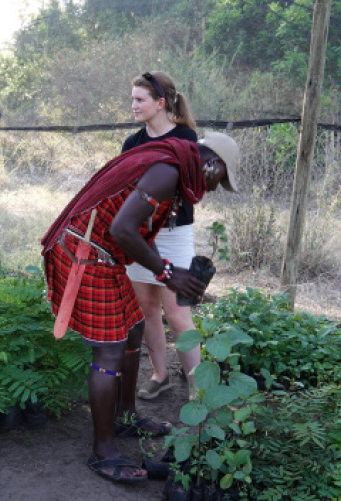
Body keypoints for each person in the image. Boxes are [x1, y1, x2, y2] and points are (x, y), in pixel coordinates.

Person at [41, 131, 241, 484]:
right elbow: (122, 228)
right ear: (212, 163)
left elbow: (134, 228)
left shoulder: (172, 167)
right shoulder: (168, 172)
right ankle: (103, 451)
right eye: (219, 179)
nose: (213, 188)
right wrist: (166, 272)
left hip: (104, 254)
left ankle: (125, 417)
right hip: (85, 252)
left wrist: (168, 271)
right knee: (109, 350)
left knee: (133, 327)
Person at [120, 71, 208, 403]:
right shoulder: (132, 143)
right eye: (132, 99)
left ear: (160, 103)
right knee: (147, 309)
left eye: (139, 99)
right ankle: (160, 375)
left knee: (178, 313)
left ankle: (198, 387)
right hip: (140, 237)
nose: (133, 105)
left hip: (174, 233)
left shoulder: (186, 137)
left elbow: (191, 188)